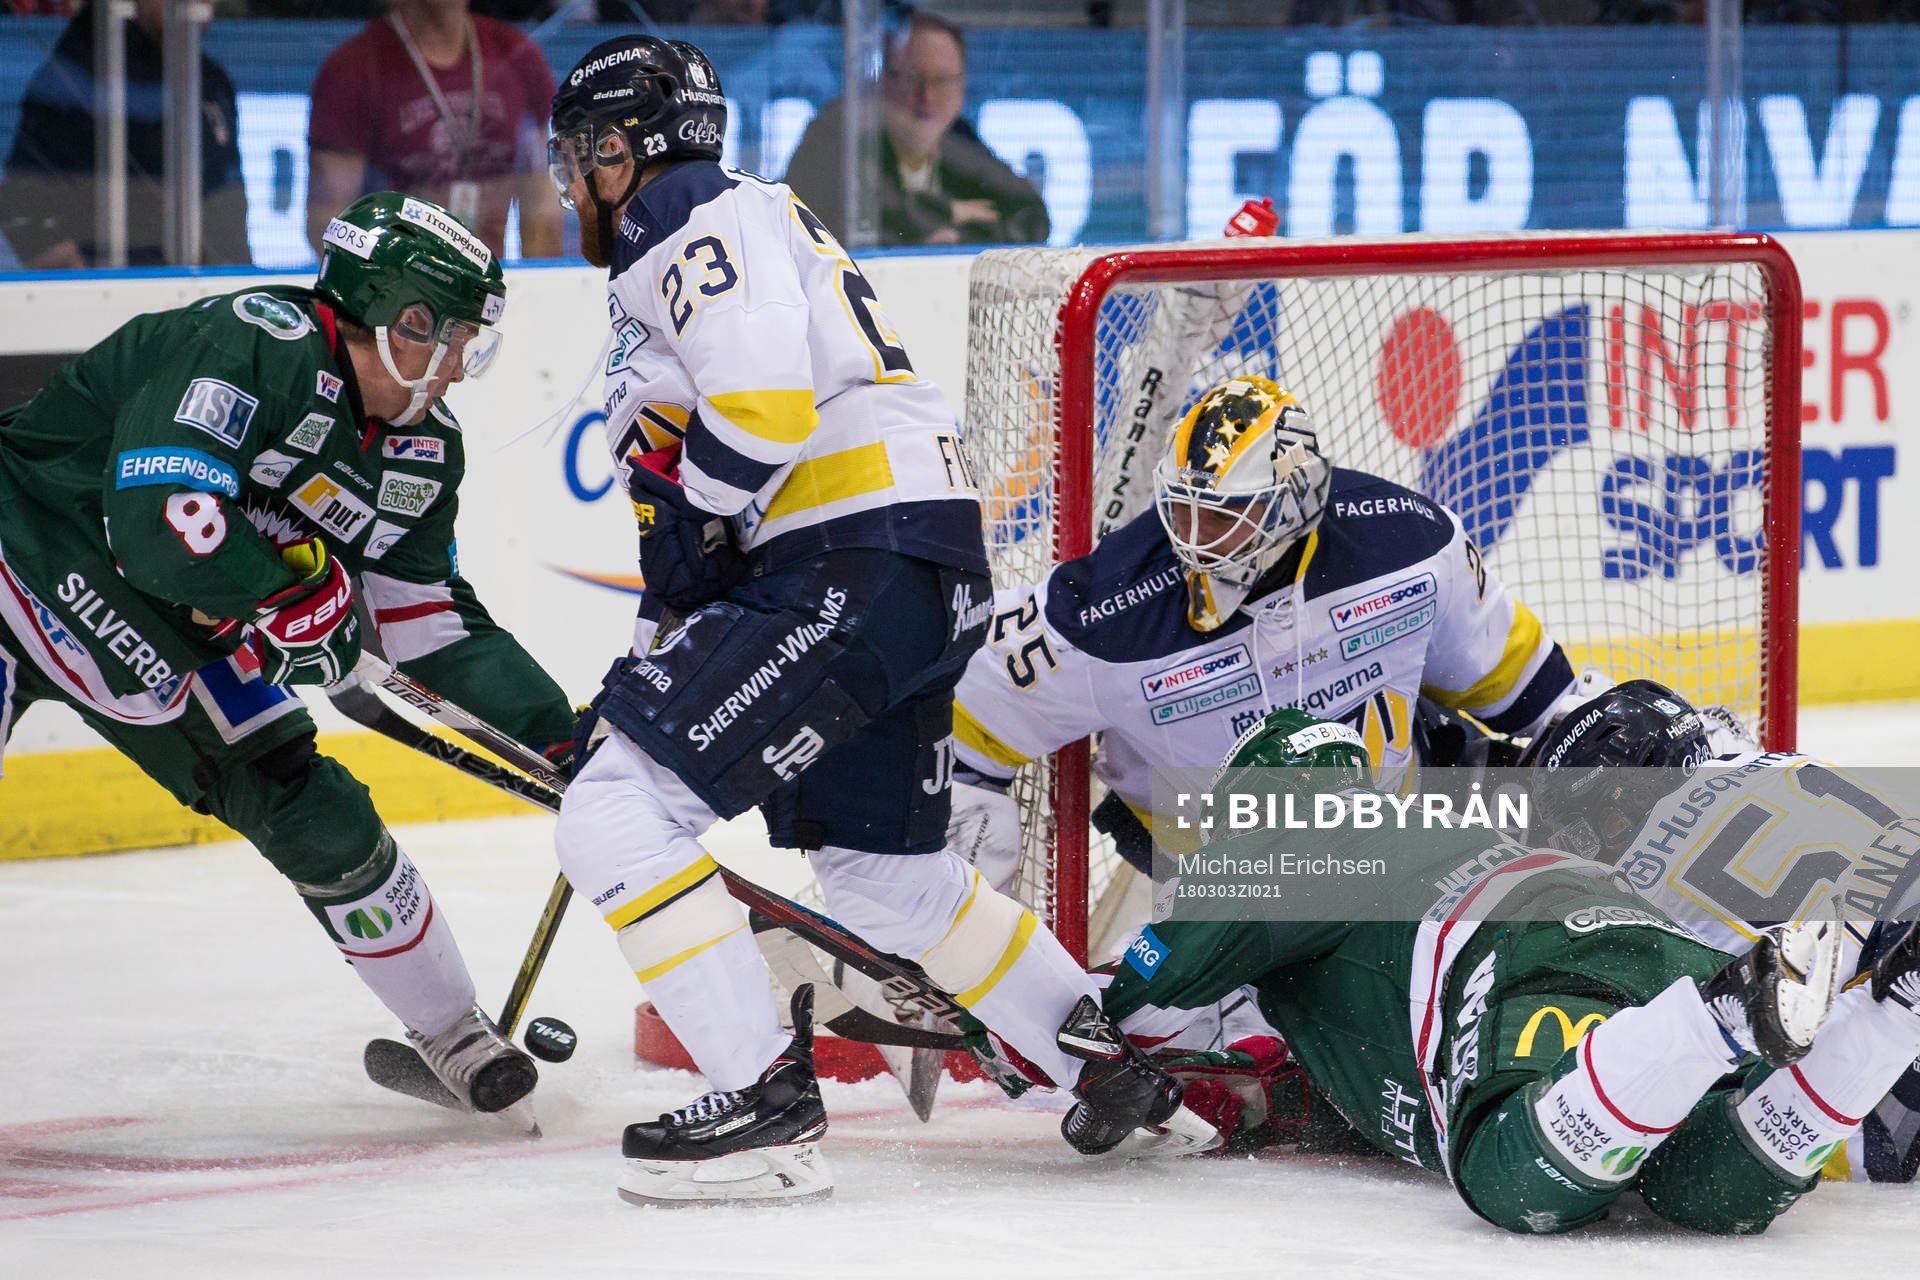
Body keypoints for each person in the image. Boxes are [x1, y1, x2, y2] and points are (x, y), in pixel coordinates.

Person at [543, 34, 1207, 1206]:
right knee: (887, 879)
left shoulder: (681, 211)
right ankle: (1102, 1067)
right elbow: (696, 512)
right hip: (914, 567)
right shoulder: (731, 226)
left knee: (612, 812)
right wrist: (653, 646)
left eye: (588, 148)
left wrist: (703, 512)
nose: (575, 177)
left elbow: (759, 412)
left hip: (846, 560)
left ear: (641, 143)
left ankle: (761, 1100)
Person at [0, 191, 576, 1118]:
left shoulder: (424, 454)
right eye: (452, 338)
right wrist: (284, 596)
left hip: (166, 636)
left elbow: (428, 624)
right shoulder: (249, 343)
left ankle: (452, 1032)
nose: (459, 369)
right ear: (398, 318)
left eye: (472, 344)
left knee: (319, 814)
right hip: (23, 548)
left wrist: (561, 738)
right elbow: (159, 522)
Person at [1096, 705, 1918, 1235]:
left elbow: (1124, 1004)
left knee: (1511, 1175)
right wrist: (1240, 1093)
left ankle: (1723, 1016)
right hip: (1648, 938)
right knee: (1709, 1188)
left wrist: (1062, 1046)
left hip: (1518, 950)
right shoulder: (1423, 834)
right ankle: (1896, 1011)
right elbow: (1349, 1055)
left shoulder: (1288, 847)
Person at [948, 376, 1583, 897]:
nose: (1194, 540)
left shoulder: (1409, 542)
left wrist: (1598, 745)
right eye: (1183, 510)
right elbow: (964, 725)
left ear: (1295, 503)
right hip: (1229, 889)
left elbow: (1532, 692)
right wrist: (959, 861)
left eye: (1223, 517)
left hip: (1409, 841)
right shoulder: (1103, 614)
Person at [1525, 680, 1920, 1184]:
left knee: (1715, 1129)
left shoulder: (1635, 885)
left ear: (1622, 795)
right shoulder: (1778, 762)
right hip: (1903, 918)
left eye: (1589, 825)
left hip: (1889, 1040)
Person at [306, 0, 563, 261]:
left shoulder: (515, 54)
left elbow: (542, 208)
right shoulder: (353, 69)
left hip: (490, 276)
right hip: (395, 277)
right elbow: (328, 221)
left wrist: (533, 282)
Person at [0, 0, 249, 269]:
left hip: (201, 285)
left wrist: (239, 278)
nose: (202, 4)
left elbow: (228, 205)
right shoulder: (76, 74)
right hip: (114, 283)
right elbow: (24, 209)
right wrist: (85, 283)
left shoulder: (210, 80)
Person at [781, 12, 1048, 248]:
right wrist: (947, 212)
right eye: (912, 78)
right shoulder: (840, 131)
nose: (927, 96)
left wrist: (959, 239)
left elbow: (1031, 218)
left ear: (962, 88)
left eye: (942, 80)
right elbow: (828, 229)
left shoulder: (958, 138)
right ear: (884, 82)